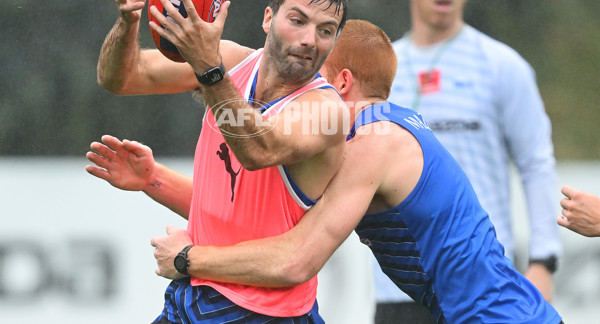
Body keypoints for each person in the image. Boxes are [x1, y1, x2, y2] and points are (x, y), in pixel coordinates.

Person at [96, 19, 562, 322]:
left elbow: (294, 259)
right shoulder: (374, 132)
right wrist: (152, 179)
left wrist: (188, 259)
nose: (302, 84)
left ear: (341, 83)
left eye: (316, 77)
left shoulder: (372, 145)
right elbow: (267, 217)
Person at [87, 0, 350, 323]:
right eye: (298, 20)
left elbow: (258, 148)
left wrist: (208, 68)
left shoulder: (326, 110)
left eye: (326, 30)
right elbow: (122, 77)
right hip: (197, 296)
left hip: (263, 313)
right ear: (268, 18)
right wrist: (128, 20)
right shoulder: (232, 63)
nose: (310, 40)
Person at [368, 0, 563, 322]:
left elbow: (536, 164)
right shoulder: (378, 71)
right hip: (396, 289)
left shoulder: (502, 67)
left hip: (483, 287)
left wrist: (544, 261)